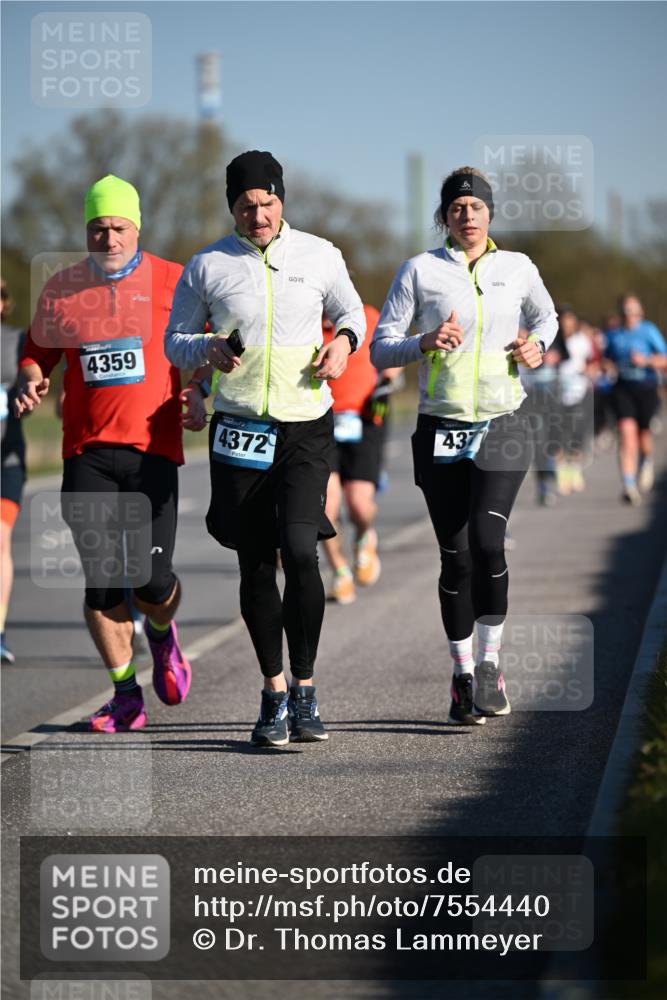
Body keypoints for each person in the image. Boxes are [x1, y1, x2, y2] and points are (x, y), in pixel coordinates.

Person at [165, 150, 365, 748]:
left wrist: (345, 344)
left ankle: (305, 688)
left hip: (305, 424)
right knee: (255, 560)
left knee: (301, 551)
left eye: (269, 203)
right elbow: (174, 343)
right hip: (240, 428)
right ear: (232, 206)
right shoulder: (207, 266)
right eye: (248, 205)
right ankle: (273, 692)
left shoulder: (320, 255)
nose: (260, 215)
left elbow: (351, 310)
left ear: (283, 200)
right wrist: (206, 347)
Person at [14, 174, 204, 731]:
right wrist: (30, 378)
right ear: (86, 231)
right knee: (101, 582)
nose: (109, 237)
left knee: (151, 581)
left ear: (136, 227)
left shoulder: (176, 281)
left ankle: (163, 635)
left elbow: (209, 345)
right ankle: (125, 694)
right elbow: (36, 351)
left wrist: (197, 389)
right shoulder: (62, 288)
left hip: (153, 450)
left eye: (119, 226)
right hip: (87, 451)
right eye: (98, 228)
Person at [371, 166, 557, 726]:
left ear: (490, 214)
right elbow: (381, 348)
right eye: (457, 207)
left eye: (476, 207)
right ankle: (462, 674)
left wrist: (537, 347)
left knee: (488, 541)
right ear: (445, 216)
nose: (467, 214)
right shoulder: (420, 271)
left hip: (502, 421)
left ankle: (492, 663)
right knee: (455, 557)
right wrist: (424, 341)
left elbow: (545, 319)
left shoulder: (517, 268)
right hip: (440, 427)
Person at [321, 305, 402, 604]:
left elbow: (392, 354)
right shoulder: (305, 319)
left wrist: (387, 382)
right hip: (320, 421)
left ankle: (364, 536)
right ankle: (340, 572)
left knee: (358, 504)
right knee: (325, 508)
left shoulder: (367, 316)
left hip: (365, 419)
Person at [604, 294, 667, 505]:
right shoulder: (614, 335)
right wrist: (605, 365)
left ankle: (646, 460)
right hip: (623, 389)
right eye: (625, 311)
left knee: (643, 437)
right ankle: (629, 486)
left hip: (646, 388)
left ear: (640, 312)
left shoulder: (649, 331)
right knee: (626, 434)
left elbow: (664, 359)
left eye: (633, 311)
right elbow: (606, 358)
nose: (629, 315)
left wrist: (647, 360)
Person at [1, 280, 27, 663]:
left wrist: (23, 398)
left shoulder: (18, 341)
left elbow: (32, 387)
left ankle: (0, 631)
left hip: (6, 460)